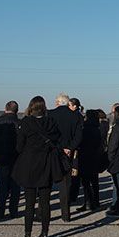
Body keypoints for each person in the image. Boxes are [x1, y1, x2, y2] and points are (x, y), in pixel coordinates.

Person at [12, 96, 61, 237]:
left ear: (31, 107)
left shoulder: (26, 122)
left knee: (29, 202)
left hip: (29, 164)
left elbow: (19, 146)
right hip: (46, 163)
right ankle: (45, 234)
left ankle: (27, 235)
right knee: (45, 202)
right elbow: (57, 140)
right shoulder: (51, 122)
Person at [48, 93, 82, 222]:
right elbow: (79, 136)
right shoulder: (76, 116)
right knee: (65, 184)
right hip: (68, 152)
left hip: (53, 151)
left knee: (47, 183)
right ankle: (66, 214)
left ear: (57, 102)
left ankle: (42, 212)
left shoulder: (50, 114)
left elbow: (48, 133)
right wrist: (70, 148)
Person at [0, 100, 22, 219]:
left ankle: (0, 210)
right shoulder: (19, 123)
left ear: (5, 109)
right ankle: (13, 210)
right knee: (15, 186)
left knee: (2, 185)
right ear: (16, 110)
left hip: (1, 158)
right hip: (16, 159)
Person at [76, 110, 103, 212]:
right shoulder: (97, 129)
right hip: (95, 157)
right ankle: (96, 201)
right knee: (95, 181)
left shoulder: (85, 129)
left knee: (86, 182)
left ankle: (88, 202)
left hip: (85, 157)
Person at [105, 103, 119, 216]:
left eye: (113, 112)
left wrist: (110, 158)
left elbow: (113, 144)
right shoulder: (114, 124)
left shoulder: (118, 126)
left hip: (117, 159)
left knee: (118, 185)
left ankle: (117, 204)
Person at [67, 97, 83, 204]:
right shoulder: (77, 116)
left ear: (74, 106)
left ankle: (72, 194)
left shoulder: (77, 117)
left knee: (74, 173)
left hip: (75, 150)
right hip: (74, 148)